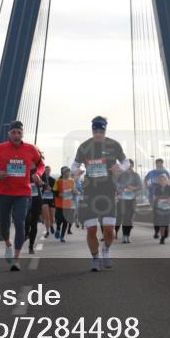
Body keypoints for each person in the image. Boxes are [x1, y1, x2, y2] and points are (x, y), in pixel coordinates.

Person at [71, 116, 128, 271]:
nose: (98, 133)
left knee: (110, 231)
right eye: (95, 130)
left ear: (105, 130)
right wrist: (75, 171)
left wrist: (121, 168)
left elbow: (126, 162)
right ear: (92, 130)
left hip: (108, 191)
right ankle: (95, 257)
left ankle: (106, 250)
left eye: (101, 130)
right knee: (91, 230)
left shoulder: (114, 145)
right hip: (89, 193)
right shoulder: (84, 147)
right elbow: (75, 164)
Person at [0, 121, 44, 271]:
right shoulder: (1, 148)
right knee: (4, 224)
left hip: (23, 192)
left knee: (20, 223)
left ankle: (16, 259)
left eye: (19, 133)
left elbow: (41, 164)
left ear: (22, 134)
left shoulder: (30, 149)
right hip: (4, 192)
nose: (16, 135)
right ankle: (8, 244)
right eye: (13, 132)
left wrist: (38, 175)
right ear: (9, 134)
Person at [144, 158, 170, 238]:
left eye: (160, 163)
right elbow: (146, 179)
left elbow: (169, 183)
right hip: (153, 196)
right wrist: (147, 185)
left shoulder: (165, 172)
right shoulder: (151, 172)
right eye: (158, 163)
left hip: (164, 197)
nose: (159, 165)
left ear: (162, 164)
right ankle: (156, 232)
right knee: (156, 215)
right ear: (155, 164)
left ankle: (164, 231)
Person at [116, 160, 142, 243]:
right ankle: (124, 236)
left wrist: (133, 188)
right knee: (125, 218)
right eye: (127, 166)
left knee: (130, 219)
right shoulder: (121, 175)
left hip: (132, 199)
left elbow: (140, 186)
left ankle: (128, 235)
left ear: (132, 166)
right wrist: (120, 190)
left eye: (130, 166)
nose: (128, 167)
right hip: (122, 200)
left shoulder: (135, 175)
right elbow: (116, 186)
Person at [26, 166, 45, 255]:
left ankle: (31, 246)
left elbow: (44, 185)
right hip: (25, 199)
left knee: (34, 223)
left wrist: (39, 181)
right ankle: (26, 234)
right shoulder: (23, 168)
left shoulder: (39, 171)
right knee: (26, 221)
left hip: (36, 200)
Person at [153, 173, 170, 244]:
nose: (162, 181)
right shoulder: (157, 188)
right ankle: (162, 238)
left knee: (166, 223)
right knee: (162, 223)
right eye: (161, 180)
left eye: (164, 179)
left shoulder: (169, 187)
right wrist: (158, 199)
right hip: (159, 208)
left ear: (166, 180)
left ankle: (164, 234)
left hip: (168, 208)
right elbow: (155, 196)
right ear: (159, 181)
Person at [54, 167, 75, 242]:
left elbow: (73, 191)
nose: (68, 173)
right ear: (63, 173)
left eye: (69, 172)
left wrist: (76, 193)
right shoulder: (58, 181)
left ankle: (62, 236)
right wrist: (60, 195)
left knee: (66, 220)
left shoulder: (72, 181)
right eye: (66, 172)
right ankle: (58, 229)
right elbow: (55, 192)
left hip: (68, 204)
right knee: (60, 219)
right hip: (60, 204)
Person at [40, 164, 56, 238]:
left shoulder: (53, 180)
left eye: (48, 170)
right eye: (46, 170)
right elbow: (39, 187)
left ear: (50, 171)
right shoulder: (41, 179)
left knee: (52, 217)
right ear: (44, 171)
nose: (47, 171)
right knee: (46, 216)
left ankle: (52, 225)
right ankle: (47, 231)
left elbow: (56, 191)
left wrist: (51, 189)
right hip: (44, 199)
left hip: (51, 199)